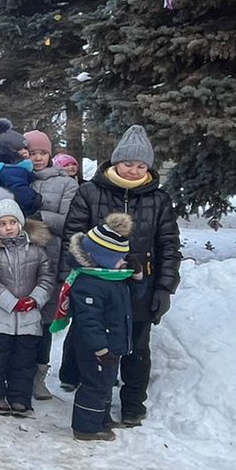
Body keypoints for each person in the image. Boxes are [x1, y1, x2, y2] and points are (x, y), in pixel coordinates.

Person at [57, 125, 182, 426]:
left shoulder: (159, 199)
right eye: (128, 164)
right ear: (115, 162)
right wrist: (69, 280)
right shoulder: (89, 192)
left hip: (141, 284)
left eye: (141, 165)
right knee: (93, 341)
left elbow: (169, 245)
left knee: (137, 345)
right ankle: (90, 399)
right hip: (95, 281)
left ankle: (133, 403)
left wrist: (165, 287)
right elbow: (72, 236)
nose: (133, 171)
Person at [52, 213, 135, 442]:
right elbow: (89, 322)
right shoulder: (89, 283)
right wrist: (100, 348)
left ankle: (102, 418)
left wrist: (135, 274)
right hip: (96, 348)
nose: (123, 261)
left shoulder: (111, 277)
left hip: (111, 344)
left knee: (105, 384)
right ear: (103, 258)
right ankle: (86, 427)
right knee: (94, 386)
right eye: (119, 257)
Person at [0, 189, 54, 417]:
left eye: (12, 222)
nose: (8, 227)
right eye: (2, 224)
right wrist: (12, 303)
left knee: (24, 360)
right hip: (1, 316)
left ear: (20, 222)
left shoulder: (37, 249)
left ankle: (20, 397)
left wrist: (35, 298)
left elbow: (46, 277)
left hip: (29, 317)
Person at [26, 129, 78, 400]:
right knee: (18, 321)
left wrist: (38, 216)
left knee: (44, 323)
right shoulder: (17, 177)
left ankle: (38, 379)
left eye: (42, 153)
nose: (37, 158)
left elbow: (70, 222)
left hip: (51, 260)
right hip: (18, 261)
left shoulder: (66, 184)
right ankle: (16, 375)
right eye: (32, 152)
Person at [0, 117, 42, 219]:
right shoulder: (12, 170)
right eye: (19, 149)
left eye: (26, 148)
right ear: (8, 151)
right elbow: (19, 189)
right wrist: (35, 198)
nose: (25, 152)